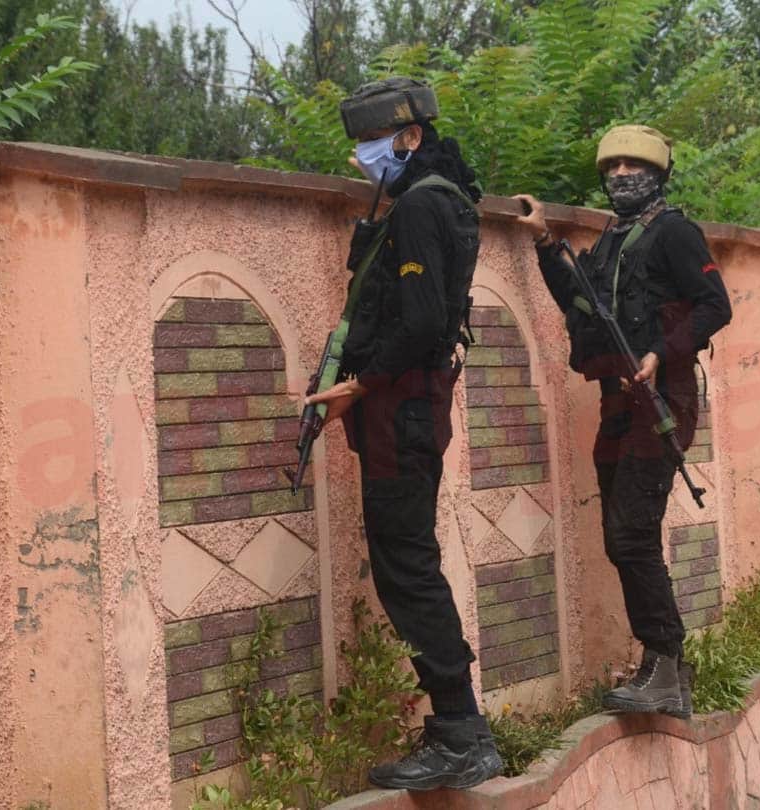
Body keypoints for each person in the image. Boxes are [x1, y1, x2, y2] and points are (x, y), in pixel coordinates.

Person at [306, 76, 502, 791]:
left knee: (407, 569)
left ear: (409, 136)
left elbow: (420, 322)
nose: (362, 156)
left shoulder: (421, 207)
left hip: (401, 408)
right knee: (407, 565)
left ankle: (460, 733)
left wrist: (357, 385)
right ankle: (459, 729)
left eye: (371, 140)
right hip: (406, 405)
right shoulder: (437, 199)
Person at [514, 125, 731, 716]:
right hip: (617, 404)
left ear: (658, 172)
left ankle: (664, 664)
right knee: (623, 537)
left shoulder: (675, 233)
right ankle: (668, 670)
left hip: (662, 399)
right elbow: (580, 300)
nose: (620, 175)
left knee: (631, 534)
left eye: (632, 165)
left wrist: (663, 349)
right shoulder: (613, 241)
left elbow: (717, 306)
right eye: (611, 168)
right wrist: (543, 243)